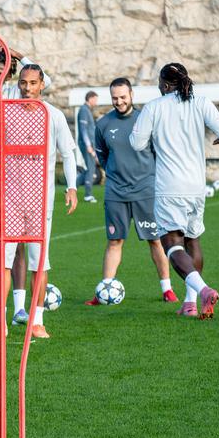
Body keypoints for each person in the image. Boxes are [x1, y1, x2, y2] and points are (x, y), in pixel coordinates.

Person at [130, 62, 219, 318]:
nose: (158, 86)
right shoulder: (201, 102)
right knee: (193, 240)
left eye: (159, 82)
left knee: (171, 244)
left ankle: (202, 290)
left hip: (170, 186)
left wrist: (156, 137)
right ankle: (189, 305)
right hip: (197, 186)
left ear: (166, 85)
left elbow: (136, 142)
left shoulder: (155, 107)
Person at [0, 64, 78, 340]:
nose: (28, 88)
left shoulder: (54, 116)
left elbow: (69, 153)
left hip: (41, 202)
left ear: (41, 85)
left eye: (33, 83)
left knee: (39, 263)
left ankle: (37, 321)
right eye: (23, 82)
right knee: (3, 261)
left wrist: (71, 187)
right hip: (10, 201)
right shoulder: (6, 114)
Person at [0, 45, 51, 326]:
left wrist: (19, 55)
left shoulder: (13, 94)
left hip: (14, 179)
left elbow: (44, 80)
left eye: (1, 73)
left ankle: (18, 309)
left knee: (16, 246)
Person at [84, 77, 176, 305]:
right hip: (116, 193)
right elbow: (103, 156)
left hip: (146, 192)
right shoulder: (103, 124)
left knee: (155, 241)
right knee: (114, 242)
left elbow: (159, 153)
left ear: (131, 95)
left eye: (123, 97)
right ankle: (104, 290)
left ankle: (167, 290)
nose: (119, 101)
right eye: (115, 98)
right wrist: (116, 175)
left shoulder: (146, 120)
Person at [78, 91, 99, 203]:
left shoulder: (87, 111)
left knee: (89, 169)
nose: (96, 102)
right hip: (86, 145)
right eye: (95, 99)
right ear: (90, 99)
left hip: (89, 145)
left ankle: (71, 187)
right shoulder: (84, 110)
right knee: (91, 169)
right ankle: (88, 195)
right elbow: (83, 130)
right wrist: (88, 146)